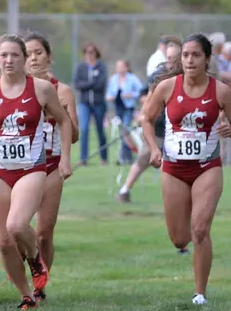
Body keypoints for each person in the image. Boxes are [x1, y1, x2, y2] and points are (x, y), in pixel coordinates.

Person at [0, 34, 72, 310]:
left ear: (24, 58)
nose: (9, 60)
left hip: (31, 168)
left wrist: (65, 158)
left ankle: (34, 258)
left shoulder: (41, 89)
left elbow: (64, 120)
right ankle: (26, 296)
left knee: (16, 225)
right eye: (4, 55)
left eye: (15, 55)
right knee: (4, 242)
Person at [142, 33, 231, 305]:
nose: (190, 60)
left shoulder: (221, 91)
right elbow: (147, 120)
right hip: (173, 168)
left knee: (199, 230)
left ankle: (200, 294)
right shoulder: (167, 87)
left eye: (196, 55)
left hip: (207, 168)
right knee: (179, 239)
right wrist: (153, 149)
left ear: (207, 59)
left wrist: (230, 130)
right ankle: (189, 225)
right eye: (186, 55)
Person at [24, 32, 79, 300]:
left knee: (44, 232)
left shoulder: (63, 90)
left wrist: (64, 115)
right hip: (21, 166)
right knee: (16, 228)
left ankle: (39, 284)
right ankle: (27, 263)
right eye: (28, 54)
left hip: (51, 164)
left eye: (39, 53)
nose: (33, 58)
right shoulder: (14, 89)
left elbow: (75, 134)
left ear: (49, 56)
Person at [117, 40, 182, 205]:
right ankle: (124, 190)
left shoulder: (186, 75)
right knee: (144, 158)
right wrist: (144, 115)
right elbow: (145, 96)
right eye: (168, 58)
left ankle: (175, 197)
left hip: (178, 129)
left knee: (173, 164)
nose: (170, 62)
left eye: (174, 58)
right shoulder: (158, 75)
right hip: (158, 126)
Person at [73, 42, 108, 165]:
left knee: (100, 130)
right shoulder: (80, 67)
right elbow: (77, 84)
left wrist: (87, 84)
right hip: (84, 104)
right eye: (88, 52)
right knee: (84, 129)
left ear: (96, 53)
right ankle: (83, 159)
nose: (90, 54)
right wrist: (91, 83)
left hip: (99, 103)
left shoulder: (101, 66)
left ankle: (104, 158)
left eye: (92, 52)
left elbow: (101, 84)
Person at [106, 59, 143, 164]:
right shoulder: (113, 79)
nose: (119, 69)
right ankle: (125, 156)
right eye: (118, 67)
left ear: (127, 68)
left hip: (128, 107)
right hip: (118, 108)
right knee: (121, 131)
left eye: (121, 66)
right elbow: (109, 93)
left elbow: (141, 91)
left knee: (125, 130)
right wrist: (110, 97)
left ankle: (126, 156)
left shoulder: (132, 78)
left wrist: (131, 95)